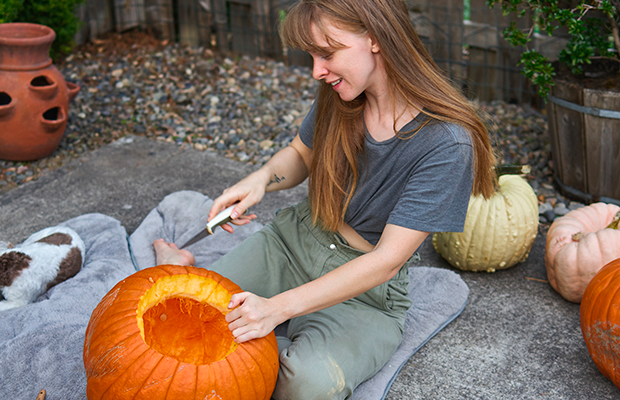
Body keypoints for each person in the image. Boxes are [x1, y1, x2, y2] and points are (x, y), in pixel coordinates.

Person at [154, 0, 496, 398]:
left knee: (306, 384)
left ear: (374, 38)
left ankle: (263, 338)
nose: (317, 70)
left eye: (327, 53)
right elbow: (301, 155)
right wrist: (262, 178)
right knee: (181, 316)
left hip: (364, 292)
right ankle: (182, 270)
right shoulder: (340, 93)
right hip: (294, 242)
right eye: (313, 56)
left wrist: (276, 309)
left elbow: (385, 262)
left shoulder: (447, 142)